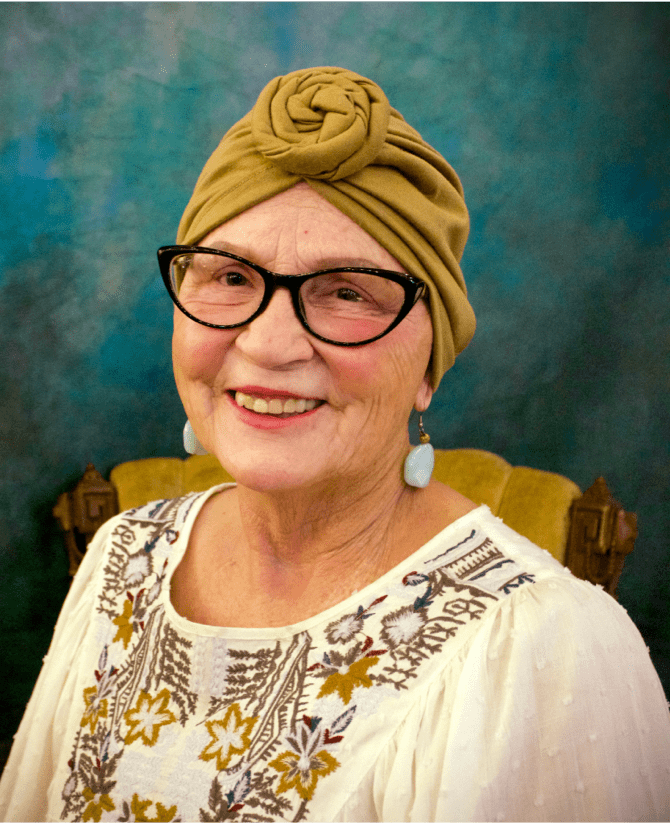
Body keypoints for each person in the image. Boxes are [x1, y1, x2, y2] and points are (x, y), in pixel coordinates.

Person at [1, 67, 668, 824]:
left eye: (347, 291)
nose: (268, 343)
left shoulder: (547, 648)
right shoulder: (122, 556)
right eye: (229, 276)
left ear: (428, 369)